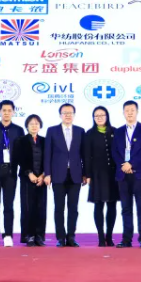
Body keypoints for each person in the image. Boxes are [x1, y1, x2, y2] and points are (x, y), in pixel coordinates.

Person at [44, 103, 86, 247]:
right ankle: (60, 238)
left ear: (74, 115)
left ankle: (71, 237)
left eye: (70, 113)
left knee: (73, 208)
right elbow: (47, 154)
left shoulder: (80, 131)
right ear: (60, 115)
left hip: (75, 175)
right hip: (57, 174)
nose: (68, 115)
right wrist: (47, 173)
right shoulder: (52, 131)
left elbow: (84, 154)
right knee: (59, 208)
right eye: (65, 113)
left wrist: (85, 173)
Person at [112, 100, 141, 248]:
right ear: (123, 113)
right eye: (127, 110)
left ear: (137, 112)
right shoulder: (118, 131)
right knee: (126, 208)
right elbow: (115, 151)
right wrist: (124, 165)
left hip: (140, 174)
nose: (129, 113)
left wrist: (131, 164)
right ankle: (126, 239)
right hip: (123, 175)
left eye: (132, 110)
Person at [0, 100, 24, 247]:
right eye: (4, 110)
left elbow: (21, 151)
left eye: (9, 110)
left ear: (13, 112)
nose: (6, 113)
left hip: (10, 172)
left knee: (8, 205)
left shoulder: (18, 130)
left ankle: (8, 235)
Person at [82, 106, 119, 247]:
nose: (99, 118)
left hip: (113, 173)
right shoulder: (89, 134)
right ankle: (101, 238)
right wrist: (87, 174)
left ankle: (109, 236)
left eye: (102, 115)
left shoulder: (115, 131)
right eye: (96, 115)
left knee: (112, 204)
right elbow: (86, 156)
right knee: (98, 205)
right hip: (97, 174)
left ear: (107, 116)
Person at [14, 115, 47, 247]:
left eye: (36, 123)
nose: (34, 126)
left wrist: (43, 175)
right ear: (27, 126)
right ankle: (29, 235)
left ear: (40, 126)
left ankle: (39, 236)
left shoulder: (45, 141)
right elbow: (19, 159)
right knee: (27, 207)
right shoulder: (20, 141)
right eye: (31, 123)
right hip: (27, 178)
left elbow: (49, 159)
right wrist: (29, 173)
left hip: (42, 179)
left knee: (41, 207)